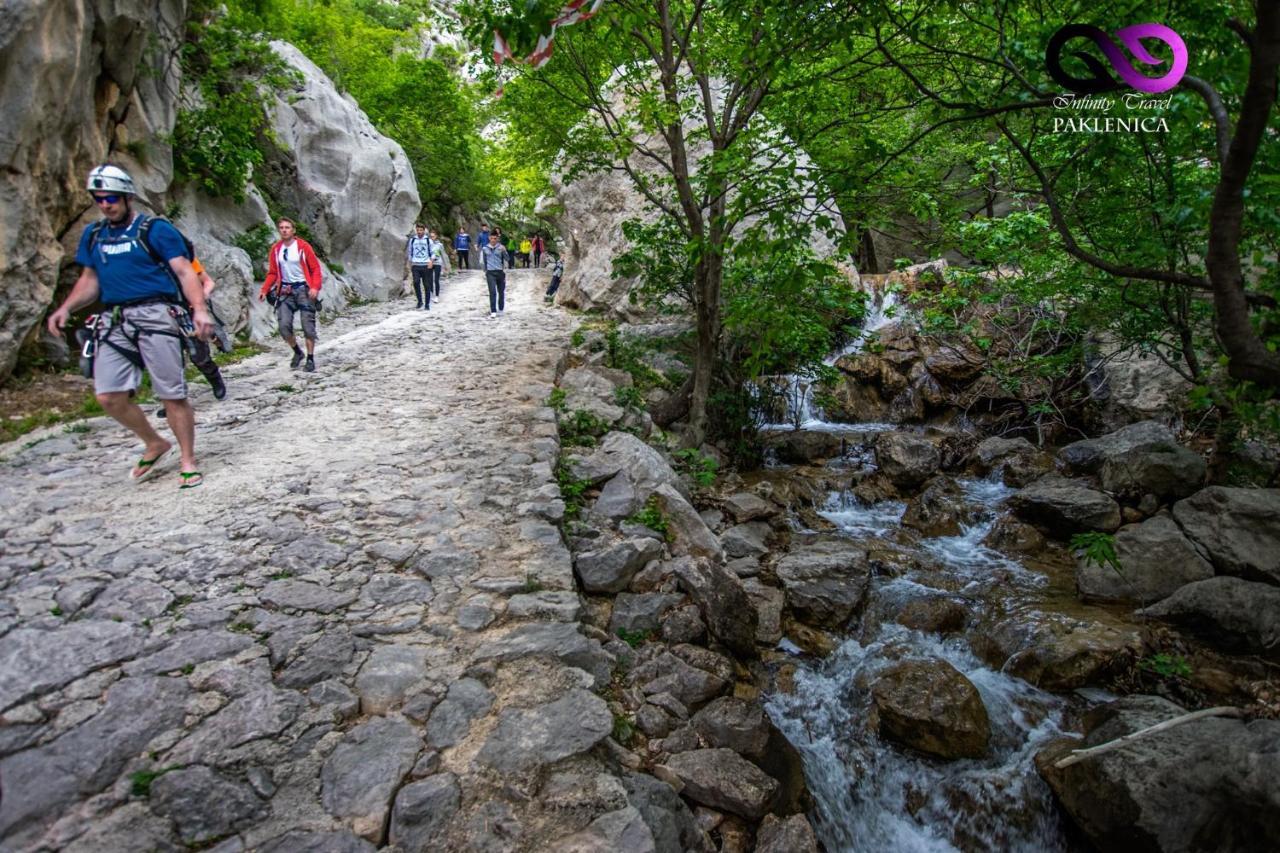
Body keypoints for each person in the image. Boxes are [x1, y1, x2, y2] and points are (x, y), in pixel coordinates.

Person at [46, 164, 214, 489]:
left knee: (171, 394)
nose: (106, 204)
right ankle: (155, 443)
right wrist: (65, 307)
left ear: (126, 196)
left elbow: (183, 271)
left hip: (157, 314)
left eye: (111, 198)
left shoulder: (155, 230)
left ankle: (188, 459)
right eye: (99, 199)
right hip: (115, 319)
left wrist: (199, 310)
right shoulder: (94, 235)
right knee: (108, 396)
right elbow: (90, 280)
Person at [258, 218, 322, 371]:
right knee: (284, 326)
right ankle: (297, 352)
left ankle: (310, 358)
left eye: (287, 227)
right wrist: (264, 289)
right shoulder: (276, 249)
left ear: (293, 230)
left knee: (308, 326)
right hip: (285, 291)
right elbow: (273, 272)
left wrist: (315, 287)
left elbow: (315, 269)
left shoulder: (303, 247)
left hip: (303, 289)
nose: (284, 230)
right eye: (281, 228)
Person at [480, 229, 509, 319]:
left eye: (495, 238)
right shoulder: (485, 248)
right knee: (492, 292)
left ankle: (501, 309)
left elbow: (507, 259)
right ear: (489, 238)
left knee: (501, 292)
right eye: (492, 238)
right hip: (490, 273)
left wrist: (504, 251)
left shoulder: (501, 248)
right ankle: (493, 310)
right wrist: (485, 271)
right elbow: (482, 261)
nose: (493, 240)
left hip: (500, 272)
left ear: (497, 239)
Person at [406, 223, 432, 310]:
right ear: (416, 230)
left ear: (424, 231)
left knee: (426, 285)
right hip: (416, 265)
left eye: (421, 230)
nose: (419, 232)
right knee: (416, 282)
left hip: (425, 265)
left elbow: (433, 252)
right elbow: (410, 251)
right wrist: (410, 262)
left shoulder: (428, 240)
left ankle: (427, 304)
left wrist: (431, 261)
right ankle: (420, 301)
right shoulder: (413, 240)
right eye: (418, 230)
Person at [428, 229, 446, 302]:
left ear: (436, 236)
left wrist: (446, 266)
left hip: (438, 263)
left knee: (436, 280)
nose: (432, 238)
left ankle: (437, 296)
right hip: (430, 263)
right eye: (431, 236)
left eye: (433, 236)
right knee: (430, 279)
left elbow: (443, 255)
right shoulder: (428, 244)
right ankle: (431, 294)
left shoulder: (440, 245)